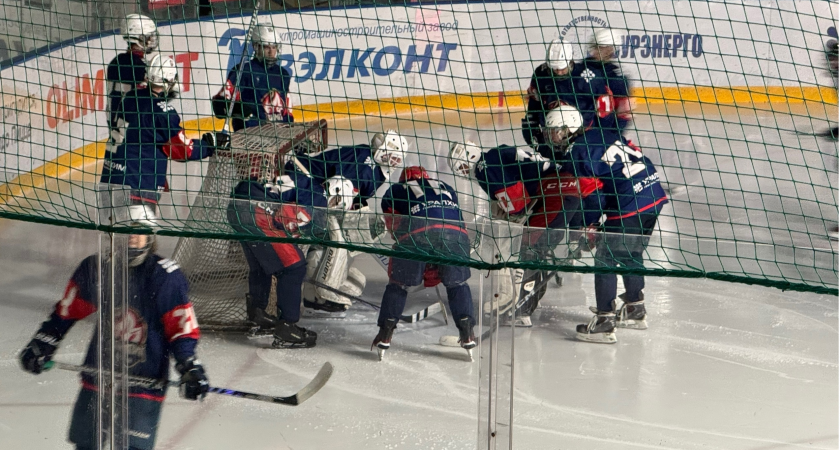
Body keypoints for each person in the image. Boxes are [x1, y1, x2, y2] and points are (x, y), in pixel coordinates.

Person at [19, 205, 208, 450]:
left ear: (151, 236)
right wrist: (43, 342)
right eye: (126, 230)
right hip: (100, 376)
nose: (132, 236)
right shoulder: (97, 268)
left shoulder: (164, 277)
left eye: (140, 230)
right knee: (86, 444)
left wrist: (188, 365)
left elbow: (181, 328)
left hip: (143, 381)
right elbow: (66, 312)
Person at [448, 120, 601, 326]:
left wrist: (508, 217)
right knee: (536, 248)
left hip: (558, 191)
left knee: (528, 247)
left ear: (469, 158)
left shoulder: (484, 167)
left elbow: (517, 205)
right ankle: (528, 301)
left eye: (462, 167)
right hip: (569, 187)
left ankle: (520, 309)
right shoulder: (496, 154)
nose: (463, 172)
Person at [550, 106, 668, 343]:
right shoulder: (598, 133)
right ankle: (635, 308)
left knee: (605, 258)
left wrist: (589, 223)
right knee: (630, 252)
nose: (551, 136)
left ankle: (604, 321)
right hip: (653, 193)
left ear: (566, 130)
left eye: (553, 131)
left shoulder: (577, 152)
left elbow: (593, 195)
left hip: (630, 202)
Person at [294, 131, 408, 313]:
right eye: (391, 156)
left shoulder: (376, 167)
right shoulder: (363, 164)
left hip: (314, 190)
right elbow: (336, 192)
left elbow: (353, 195)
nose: (394, 161)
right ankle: (321, 292)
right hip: (302, 185)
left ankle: (312, 294)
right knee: (335, 241)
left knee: (355, 282)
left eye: (397, 158)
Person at [226, 148, 329, 347]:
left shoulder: (301, 179)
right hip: (258, 213)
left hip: (237, 207)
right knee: (294, 267)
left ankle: (258, 314)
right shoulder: (318, 197)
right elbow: (287, 217)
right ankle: (287, 328)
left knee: (261, 265)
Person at [373, 166, 476, 360]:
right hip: (456, 235)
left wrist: (417, 262)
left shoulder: (394, 190)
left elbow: (395, 228)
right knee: (458, 284)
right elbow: (459, 220)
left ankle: (384, 334)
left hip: (417, 233)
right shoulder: (445, 186)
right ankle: (467, 333)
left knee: (398, 285)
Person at [101, 54, 224, 204]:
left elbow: (144, 139)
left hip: (108, 184)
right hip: (137, 190)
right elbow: (183, 151)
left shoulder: (130, 98)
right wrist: (209, 144)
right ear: (170, 81)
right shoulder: (162, 113)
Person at [212, 22, 293, 132]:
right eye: (266, 47)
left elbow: (287, 112)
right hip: (250, 134)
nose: (271, 52)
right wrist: (237, 109)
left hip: (279, 133)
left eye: (274, 47)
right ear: (256, 47)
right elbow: (218, 105)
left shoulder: (283, 74)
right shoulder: (243, 71)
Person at [106, 14, 160, 157]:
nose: (151, 40)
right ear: (138, 39)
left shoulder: (116, 62)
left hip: (116, 134)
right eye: (148, 37)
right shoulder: (139, 68)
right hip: (133, 139)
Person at [522, 39, 584, 148]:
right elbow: (534, 106)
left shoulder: (584, 76)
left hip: (578, 133)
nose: (559, 72)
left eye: (562, 68)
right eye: (555, 68)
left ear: (570, 61)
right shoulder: (540, 74)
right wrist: (531, 129)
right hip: (550, 133)